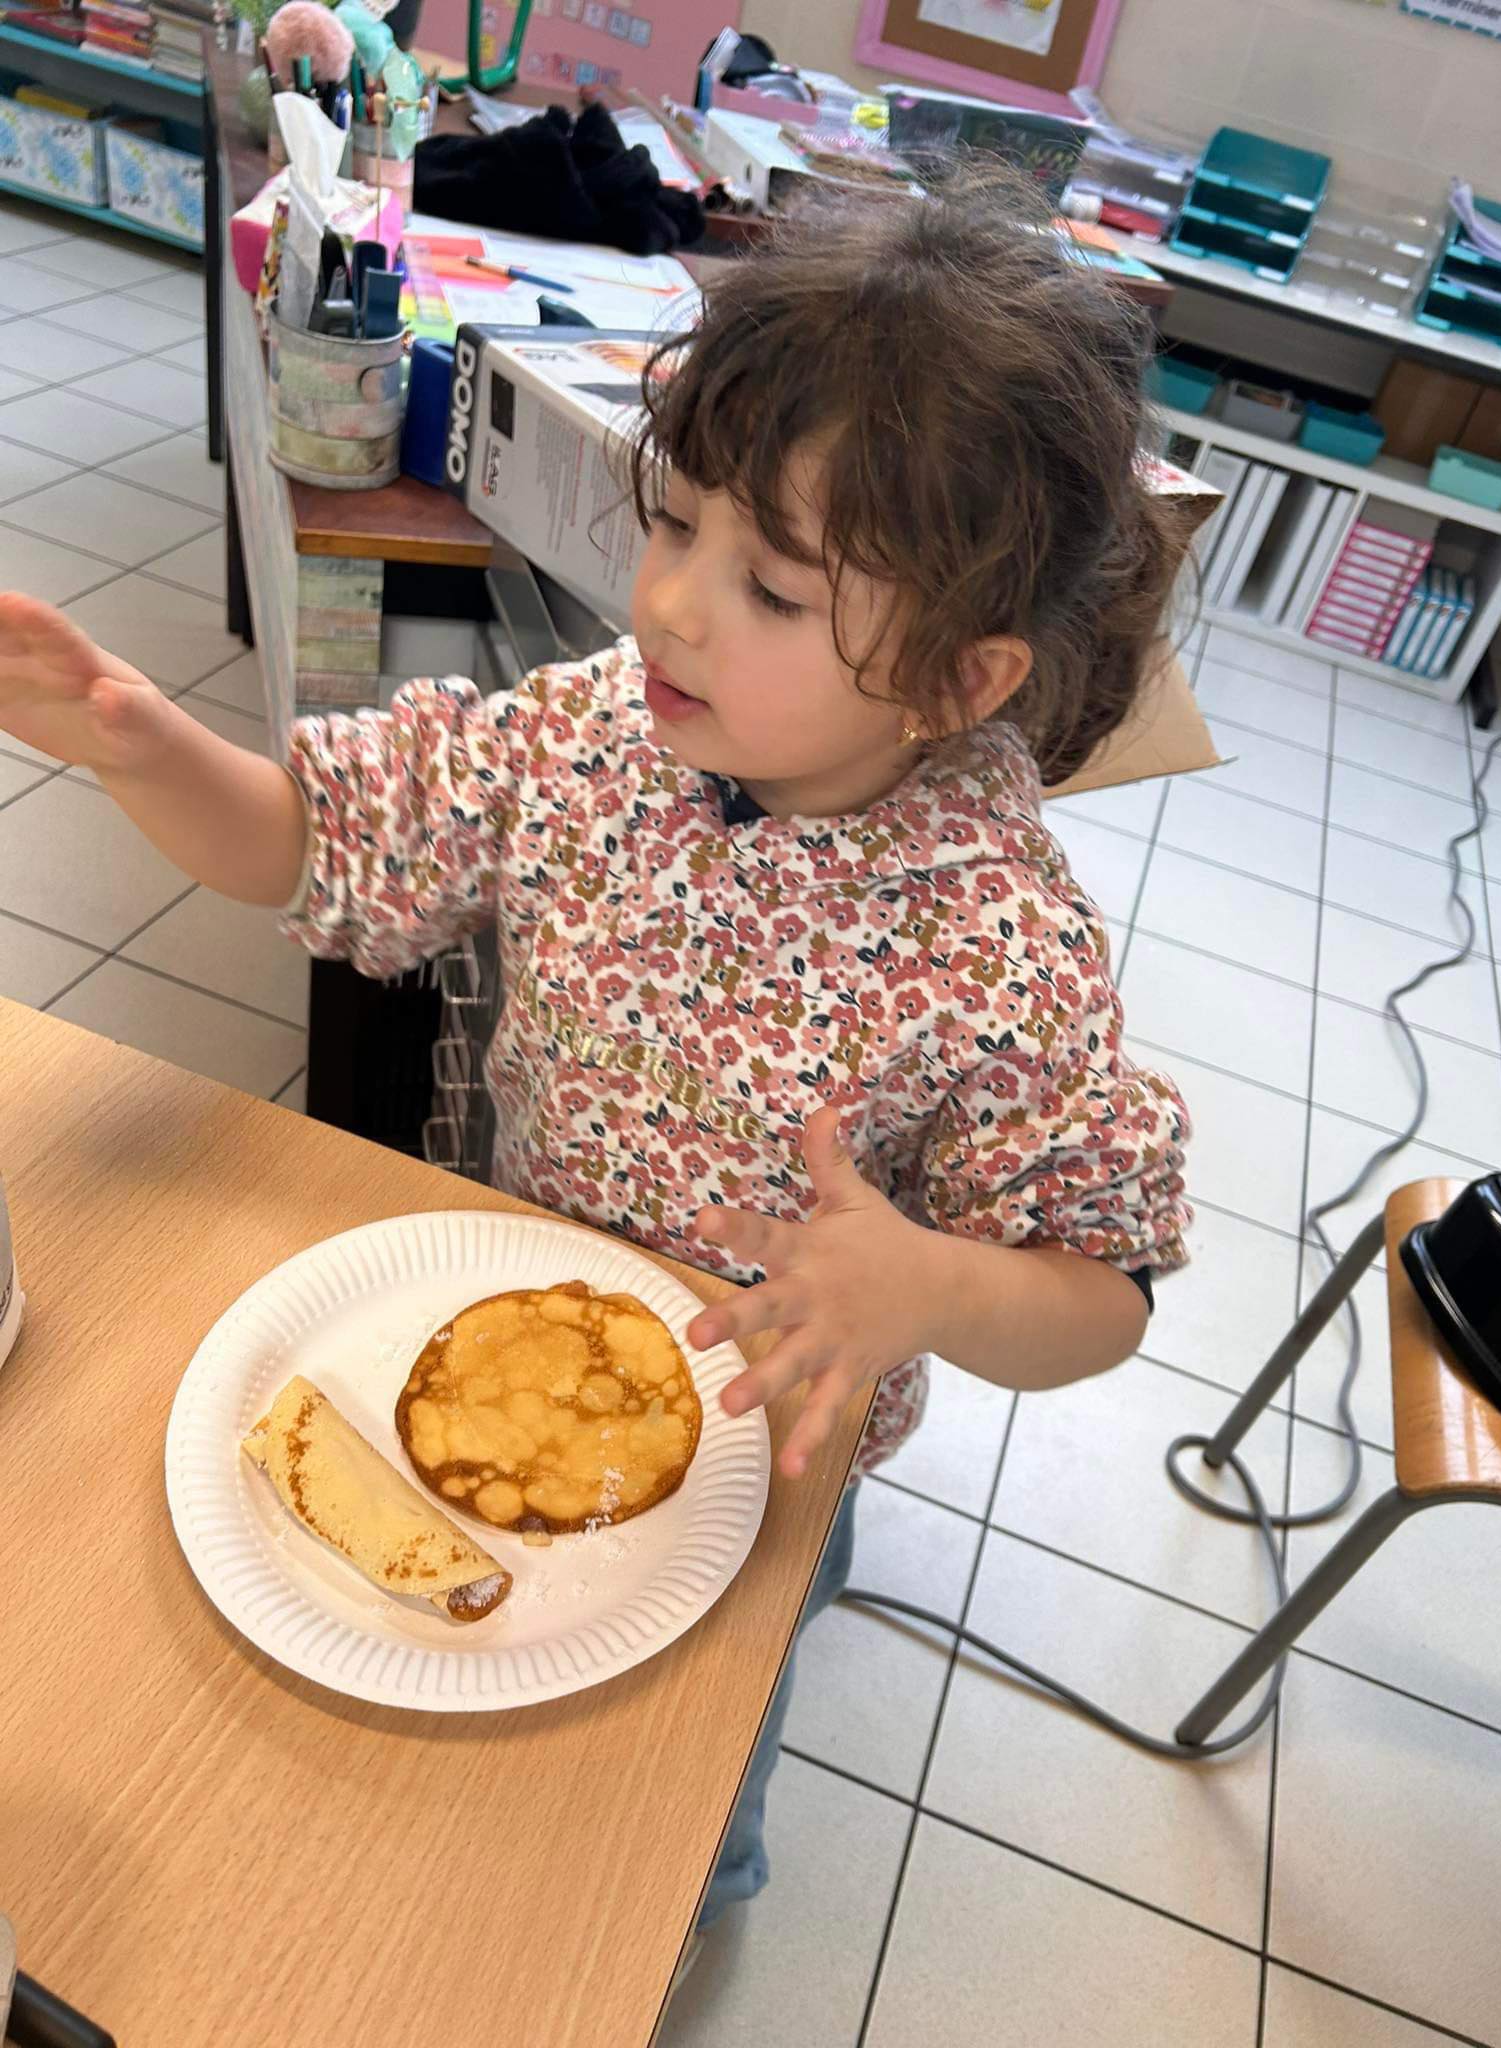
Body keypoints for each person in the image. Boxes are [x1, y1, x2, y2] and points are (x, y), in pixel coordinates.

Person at [0, 164, 1190, 1933]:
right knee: (463, 1699)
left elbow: (1105, 1289)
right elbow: (323, 844)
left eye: (772, 589)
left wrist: (933, 1284)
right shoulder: (596, 738)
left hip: (771, 1456)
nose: (674, 606)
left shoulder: (1000, 942)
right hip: (508, 1330)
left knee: (663, 1821)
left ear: (961, 679)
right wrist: (143, 745)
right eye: (677, 522)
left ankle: (693, 1908)